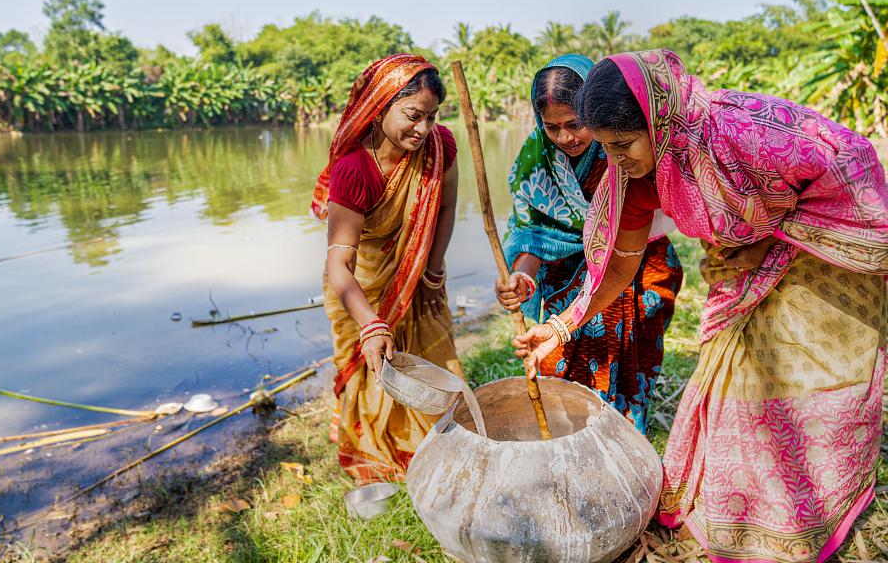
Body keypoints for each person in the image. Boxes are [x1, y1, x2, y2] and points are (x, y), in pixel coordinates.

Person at [514, 48, 888, 562]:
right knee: (740, 381)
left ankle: (811, 506)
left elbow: (849, 160)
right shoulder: (636, 177)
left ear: (657, 117)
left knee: (809, 379)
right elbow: (619, 267)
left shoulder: (742, 134)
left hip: (820, 249)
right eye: (607, 148)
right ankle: (745, 511)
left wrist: (775, 239)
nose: (616, 163)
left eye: (624, 145)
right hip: (746, 263)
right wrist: (561, 326)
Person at [496, 54, 682, 434]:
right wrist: (522, 275)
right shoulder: (537, 160)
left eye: (575, 124)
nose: (566, 138)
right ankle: (569, 434)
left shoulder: (624, 149)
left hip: (636, 263)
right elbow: (537, 232)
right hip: (568, 279)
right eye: (552, 127)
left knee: (630, 355)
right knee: (558, 358)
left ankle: (623, 432)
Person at [312, 53, 462, 483]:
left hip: (419, 274)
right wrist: (371, 323)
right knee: (370, 367)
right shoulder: (354, 170)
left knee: (429, 355)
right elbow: (340, 260)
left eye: (432, 117)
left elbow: (448, 205)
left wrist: (432, 271)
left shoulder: (440, 147)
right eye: (413, 115)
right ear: (380, 107)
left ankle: (431, 441)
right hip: (359, 286)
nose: (423, 129)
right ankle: (373, 443)